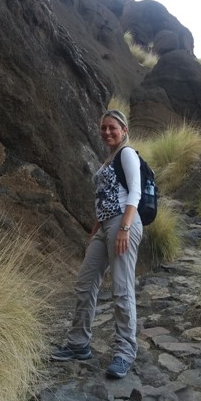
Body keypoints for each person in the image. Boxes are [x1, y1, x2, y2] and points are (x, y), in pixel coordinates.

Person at [52, 109, 143, 378]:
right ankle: (78, 344)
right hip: (105, 227)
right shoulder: (107, 161)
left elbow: (134, 192)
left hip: (123, 223)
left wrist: (124, 228)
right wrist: (94, 230)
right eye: (103, 127)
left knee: (121, 288)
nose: (107, 132)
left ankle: (125, 353)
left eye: (112, 127)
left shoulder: (127, 154)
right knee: (85, 282)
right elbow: (103, 198)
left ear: (124, 130)